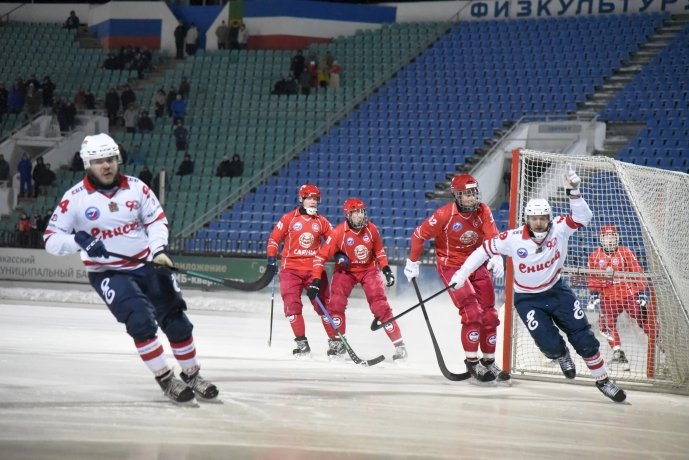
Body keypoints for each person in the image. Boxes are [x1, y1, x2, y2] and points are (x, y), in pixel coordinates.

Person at [43, 133, 218, 404]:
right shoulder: (74, 198)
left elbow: (156, 220)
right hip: (108, 273)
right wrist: (80, 241)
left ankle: (192, 375)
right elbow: (51, 239)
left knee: (176, 320)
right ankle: (165, 378)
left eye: (111, 159)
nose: (107, 165)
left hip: (146, 264)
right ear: (88, 163)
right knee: (140, 321)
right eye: (99, 160)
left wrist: (158, 250)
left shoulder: (137, 187)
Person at [450, 165, 626, 402]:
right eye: (534, 218)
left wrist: (574, 192)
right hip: (528, 299)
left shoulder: (560, 229)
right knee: (548, 343)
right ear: (527, 219)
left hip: (557, 292)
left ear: (549, 218)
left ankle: (603, 380)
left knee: (583, 337)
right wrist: (462, 274)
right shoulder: (512, 238)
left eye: (543, 218)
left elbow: (584, 218)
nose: (539, 223)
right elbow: (483, 250)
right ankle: (561, 354)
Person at [404, 174, 505, 384]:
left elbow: (491, 234)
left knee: (490, 315)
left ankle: (489, 361)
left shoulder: (483, 210)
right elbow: (418, 235)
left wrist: (496, 256)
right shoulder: (444, 215)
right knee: (472, 312)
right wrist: (412, 262)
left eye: (473, 193)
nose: (470, 198)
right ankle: (471, 361)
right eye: (465, 194)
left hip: (477, 264)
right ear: (456, 196)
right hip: (451, 266)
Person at [308, 198, 407, 361]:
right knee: (336, 304)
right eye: (355, 213)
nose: (359, 216)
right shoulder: (339, 233)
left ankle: (400, 346)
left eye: (361, 212)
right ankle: (338, 344)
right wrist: (316, 280)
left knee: (380, 306)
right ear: (348, 215)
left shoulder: (372, 229)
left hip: (369, 269)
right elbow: (320, 257)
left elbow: (379, 251)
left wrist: (386, 268)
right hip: (346, 271)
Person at [266, 184, 334, 357]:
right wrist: (271, 258)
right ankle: (302, 344)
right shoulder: (289, 218)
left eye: (315, 199)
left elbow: (334, 241)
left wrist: (341, 254)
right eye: (309, 198)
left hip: (314, 270)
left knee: (324, 306)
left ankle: (336, 342)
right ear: (302, 199)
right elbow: (274, 239)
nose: (312, 202)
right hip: (291, 270)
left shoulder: (322, 221)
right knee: (292, 306)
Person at [587, 224, 650, 370]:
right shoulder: (595, 256)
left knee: (644, 319)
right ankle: (618, 353)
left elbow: (637, 271)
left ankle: (661, 343)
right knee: (605, 325)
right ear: (601, 239)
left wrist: (641, 292)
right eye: (607, 236)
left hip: (628, 293)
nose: (610, 239)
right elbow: (592, 276)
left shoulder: (625, 252)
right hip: (608, 296)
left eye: (613, 236)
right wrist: (594, 293)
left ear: (617, 238)